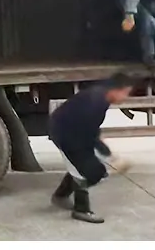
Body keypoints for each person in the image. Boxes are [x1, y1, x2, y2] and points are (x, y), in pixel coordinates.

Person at [48, 74, 136, 225]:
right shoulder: (95, 101)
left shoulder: (101, 97)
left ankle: (60, 196)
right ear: (116, 89)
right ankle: (81, 210)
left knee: (83, 166)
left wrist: (107, 154)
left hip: (70, 130)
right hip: (64, 133)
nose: (125, 97)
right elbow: (88, 134)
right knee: (91, 171)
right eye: (125, 92)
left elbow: (92, 131)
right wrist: (108, 156)